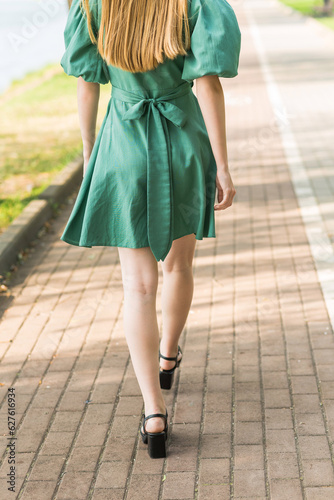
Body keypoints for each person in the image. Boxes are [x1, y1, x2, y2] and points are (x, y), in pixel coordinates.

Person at [60, 0, 241, 458]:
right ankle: (168, 355)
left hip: (123, 144)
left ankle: (153, 412)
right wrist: (222, 164)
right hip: (182, 143)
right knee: (178, 268)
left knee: (138, 287)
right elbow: (208, 84)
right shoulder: (193, 3)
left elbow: (87, 87)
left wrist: (90, 158)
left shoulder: (92, 6)